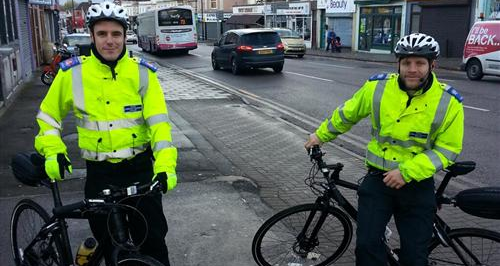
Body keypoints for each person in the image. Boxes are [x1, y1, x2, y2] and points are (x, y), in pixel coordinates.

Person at [34, 1, 177, 265]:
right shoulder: (71, 74)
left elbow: (159, 125)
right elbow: (48, 116)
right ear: (92, 36)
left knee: (153, 244)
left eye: (116, 34)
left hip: (140, 171)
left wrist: (166, 167)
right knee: (110, 246)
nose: (109, 41)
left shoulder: (143, 74)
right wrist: (53, 151)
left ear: (125, 36)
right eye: (102, 34)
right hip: (100, 174)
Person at [304, 33, 464, 266]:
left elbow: (447, 150)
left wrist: (406, 172)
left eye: (419, 63)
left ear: (432, 65)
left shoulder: (449, 102)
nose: (412, 69)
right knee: (367, 247)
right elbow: (347, 114)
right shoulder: (377, 87)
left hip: (417, 186)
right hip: (378, 181)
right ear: (397, 63)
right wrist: (320, 135)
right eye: (406, 63)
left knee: (415, 257)